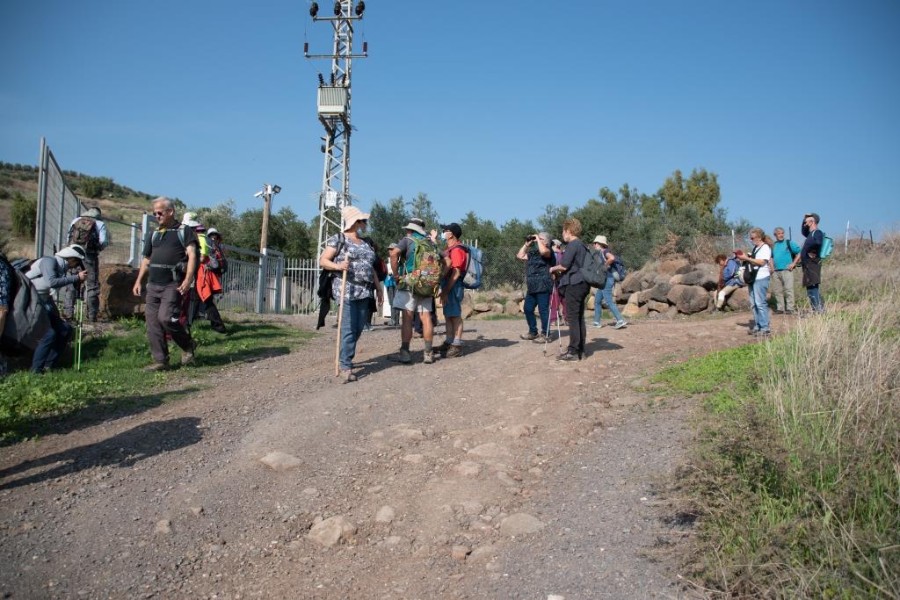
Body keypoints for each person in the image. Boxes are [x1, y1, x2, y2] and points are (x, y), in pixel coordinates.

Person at [132, 197, 199, 371]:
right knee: (152, 322)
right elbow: (146, 259)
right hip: (153, 284)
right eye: (154, 213)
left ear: (170, 212)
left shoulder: (184, 231)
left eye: (159, 213)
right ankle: (161, 360)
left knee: (166, 318)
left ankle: (188, 345)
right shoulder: (154, 234)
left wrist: (188, 278)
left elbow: (192, 255)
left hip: (172, 283)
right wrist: (138, 281)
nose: (157, 216)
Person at [319, 205, 382, 382]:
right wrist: (338, 266)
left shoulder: (366, 243)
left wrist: (378, 288)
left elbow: (372, 268)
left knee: (359, 327)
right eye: (362, 220)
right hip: (346, 288)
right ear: (355, 222)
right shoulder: (338, 239)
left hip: (365, 290)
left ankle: (346, 357)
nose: (365, 223)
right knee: (348, 327)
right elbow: (323, 260)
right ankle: (345, 365)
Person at [27, 245, 88, 373]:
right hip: (30, 301)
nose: (76, 265)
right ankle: (36, 370)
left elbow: (47, 290)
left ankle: (49, 366)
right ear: (70, 258)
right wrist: (76, 277)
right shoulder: (49, 261)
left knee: (65, 329)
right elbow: (51, 282)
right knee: (50, 334)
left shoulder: (60, 267)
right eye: (77, 262)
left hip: (43, 301)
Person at [390, 217, 442, 364]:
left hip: (410, 283)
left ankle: (405, 353)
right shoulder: (431, 243)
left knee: (407, 317)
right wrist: (437, 278)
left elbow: (393, 254)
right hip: (427, 284)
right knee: (426, 318)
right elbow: (447, 261)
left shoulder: (407, 240)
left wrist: (396, 275)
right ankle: (428, 353)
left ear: (410, 230)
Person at [549, 218, 590, 361]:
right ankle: (581, 351)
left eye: (563, 231)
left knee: (572, 317)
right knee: (579, 317)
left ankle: (572, 351)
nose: (562, 234)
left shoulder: (573, 245)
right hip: (583, 284)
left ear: (569, 231)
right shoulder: (583, 246)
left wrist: (553, 269)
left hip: (574, 284)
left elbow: (564, 265)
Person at [63, 206, 109, 322]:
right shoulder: (99, 223)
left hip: (73, 254)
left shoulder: (76, 220)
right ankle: (91, 316)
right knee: (92, 286)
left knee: (72, 282)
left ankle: (68, 314)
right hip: (89, 255)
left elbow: (68, 237)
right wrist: (97, 249)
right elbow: (103, 241)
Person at [516, 231, 555, 343]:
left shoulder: (548, 251)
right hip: (532, 286)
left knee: (543, 311)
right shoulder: (533, 253)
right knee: (527, 309)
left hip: (543, 285)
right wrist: (527, 244)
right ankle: (533, 332)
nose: (537, 240)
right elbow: (520, 255)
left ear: (547, 242)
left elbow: (543, 251)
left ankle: (546, 334)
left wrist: (537, 238)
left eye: (541, 238)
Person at [437, 223, 467, 358]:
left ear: (452, 234)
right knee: (448, 315)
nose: (444, 232)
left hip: (453, 286)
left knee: (455, 315)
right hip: (448, 285)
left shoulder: (457, 250)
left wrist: (446, 290)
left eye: (446, 230)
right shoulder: (450, 249)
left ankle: (457, 345)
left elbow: (456, 273)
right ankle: (449, 342)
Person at [738, 227, 773, 336]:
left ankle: (765, 328)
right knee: (754, 304)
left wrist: (747, 259)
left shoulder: (765, 248)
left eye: (752, 237)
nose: (751, 239)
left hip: (761, 277)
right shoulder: (756, 248)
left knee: (760, 303)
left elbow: (762, 262)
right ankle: (758, 326)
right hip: (754, 278)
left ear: (759, 237)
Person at [789, 213, 825, 314]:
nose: (805, 223)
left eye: (807, 221)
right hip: (808, 264)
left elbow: (818, 242)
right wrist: (804, 218)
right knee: (811, 288)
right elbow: (803, 231)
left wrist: (809, 251)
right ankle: (817, 310)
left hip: (812, 264)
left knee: (812, 288)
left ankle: (818, 311)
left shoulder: (817, 233)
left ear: (812, 222)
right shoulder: (810, 234)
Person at [590, 235, 628, 329]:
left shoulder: (605, 251)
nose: (594, 245)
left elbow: (611, 258)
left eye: (595, 243)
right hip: (604, 280)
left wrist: (604, 265)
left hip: (607, 279)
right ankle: (596, 322)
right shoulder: (600, 253)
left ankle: (620, 320)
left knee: (608, 301)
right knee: (597, 301)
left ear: (599, 244)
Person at [195, 227, 227, 333]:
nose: (214, 237)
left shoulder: (204, 242)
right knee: (203, 299)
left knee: (207, 300)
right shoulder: (217, 246)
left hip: (204, 273)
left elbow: (203, 259)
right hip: (210, 274)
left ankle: (219, 326)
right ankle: (214, 324)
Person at [770, 227, 801, 315]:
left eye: (782, 233)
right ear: (775, 235)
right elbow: (771, 257)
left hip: (787, 270)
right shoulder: (773, 245)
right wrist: (771, 267)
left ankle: (790, 308)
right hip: (775, 271)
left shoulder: (789, 243)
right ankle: (780, 308)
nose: (781, 235)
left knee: (788, 289)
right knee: (777, 290)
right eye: (779, 233)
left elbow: (799, 252)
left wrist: (793, 263)